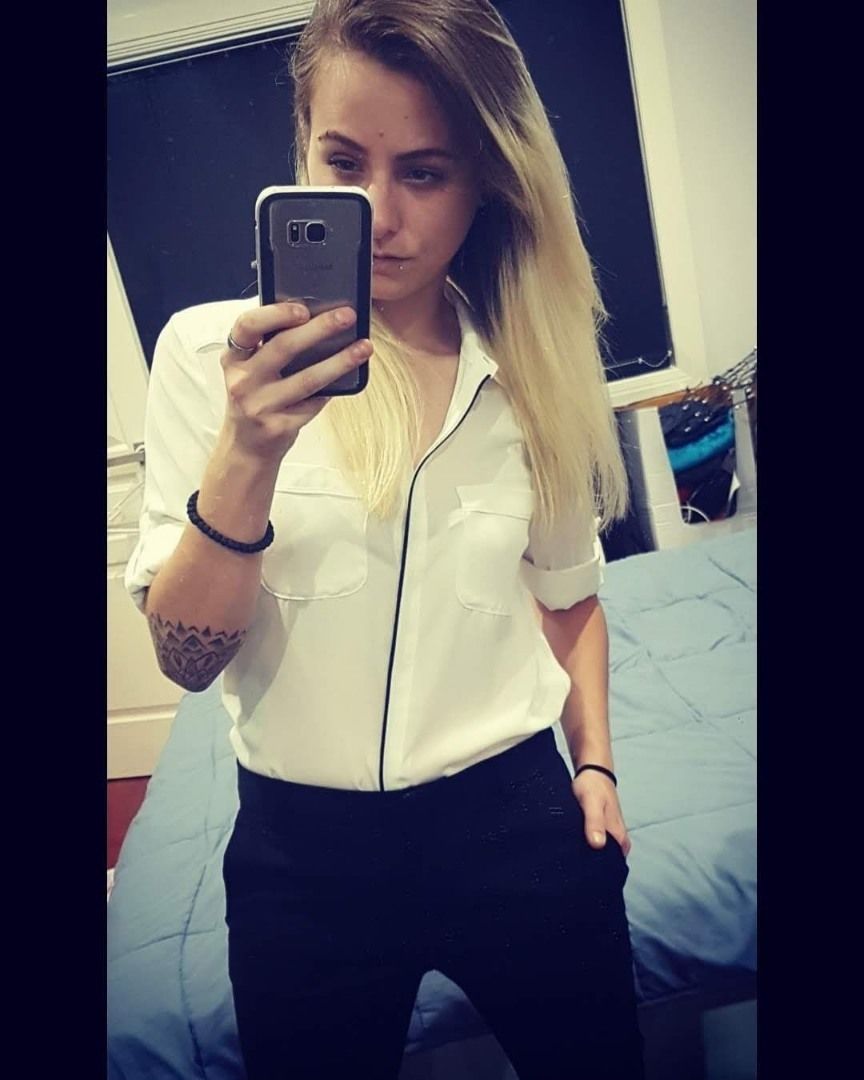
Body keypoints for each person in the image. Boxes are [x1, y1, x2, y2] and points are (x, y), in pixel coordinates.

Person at [125, 1, 645, 1077]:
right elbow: (185, 659)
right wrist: (248, 453)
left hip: (514, 821)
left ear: (487, 180)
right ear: (304, 152)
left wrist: (594, 764)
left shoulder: (533, 370)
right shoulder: (206, 361)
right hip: (304, 861)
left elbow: (570, 599)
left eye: (425, 171)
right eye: (345, 161)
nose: (380, 214)